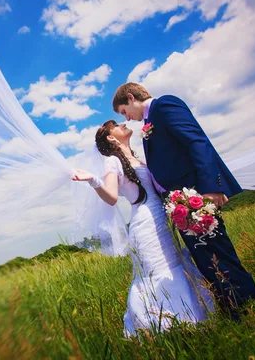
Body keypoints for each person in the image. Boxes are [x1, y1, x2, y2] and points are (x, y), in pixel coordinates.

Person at [112, 82, 255, 320]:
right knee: (204, 257)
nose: (126, 118)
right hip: (179, 205)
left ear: (130, 97)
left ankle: (248, 304)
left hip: (195, 198)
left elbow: (197, 141)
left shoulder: (165, 105)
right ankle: (231, 308)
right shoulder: (150, 123)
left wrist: (210, 187)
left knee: (218, 252)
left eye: (123, 111)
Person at [72, 121, 214, 337]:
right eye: (118, 125)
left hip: (161, 218)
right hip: (145, 223)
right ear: (112, 138)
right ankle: (163, 327)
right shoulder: (112, 161)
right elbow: (111, 197)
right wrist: (93, 180)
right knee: (156, 269)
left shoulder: (136, 158)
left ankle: (191, 321)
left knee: (175, 263)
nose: (124, 123)